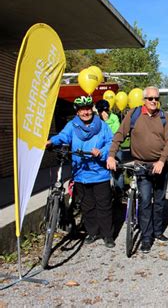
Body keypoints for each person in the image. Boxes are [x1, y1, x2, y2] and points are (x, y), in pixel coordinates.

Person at [107, 86, 168, 253]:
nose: (153, 101)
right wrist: (111, 155)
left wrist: (161, 161)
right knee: (145, 201)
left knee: (159, 201)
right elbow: (119, 135)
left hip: (160, 166)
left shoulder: (165, 117)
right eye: (150, 98)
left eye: (156, 98)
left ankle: (157, 232)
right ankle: (146, 237)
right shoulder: (134, 115)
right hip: (142, 166)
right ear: (144, 100)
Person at [46, 96, 115, 248]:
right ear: (77, 112)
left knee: (103, 206)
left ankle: (107, 235)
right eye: (82, 109)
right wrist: (52, 141)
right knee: (87, 206)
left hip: (99, 173)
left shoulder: (102, 126)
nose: (86, 112)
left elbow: (111, 142)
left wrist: (102, 152)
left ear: (92, 109)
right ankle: (92, 232)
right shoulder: (72, 126)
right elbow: (63, 136)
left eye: (88, 108)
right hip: (81, 173)